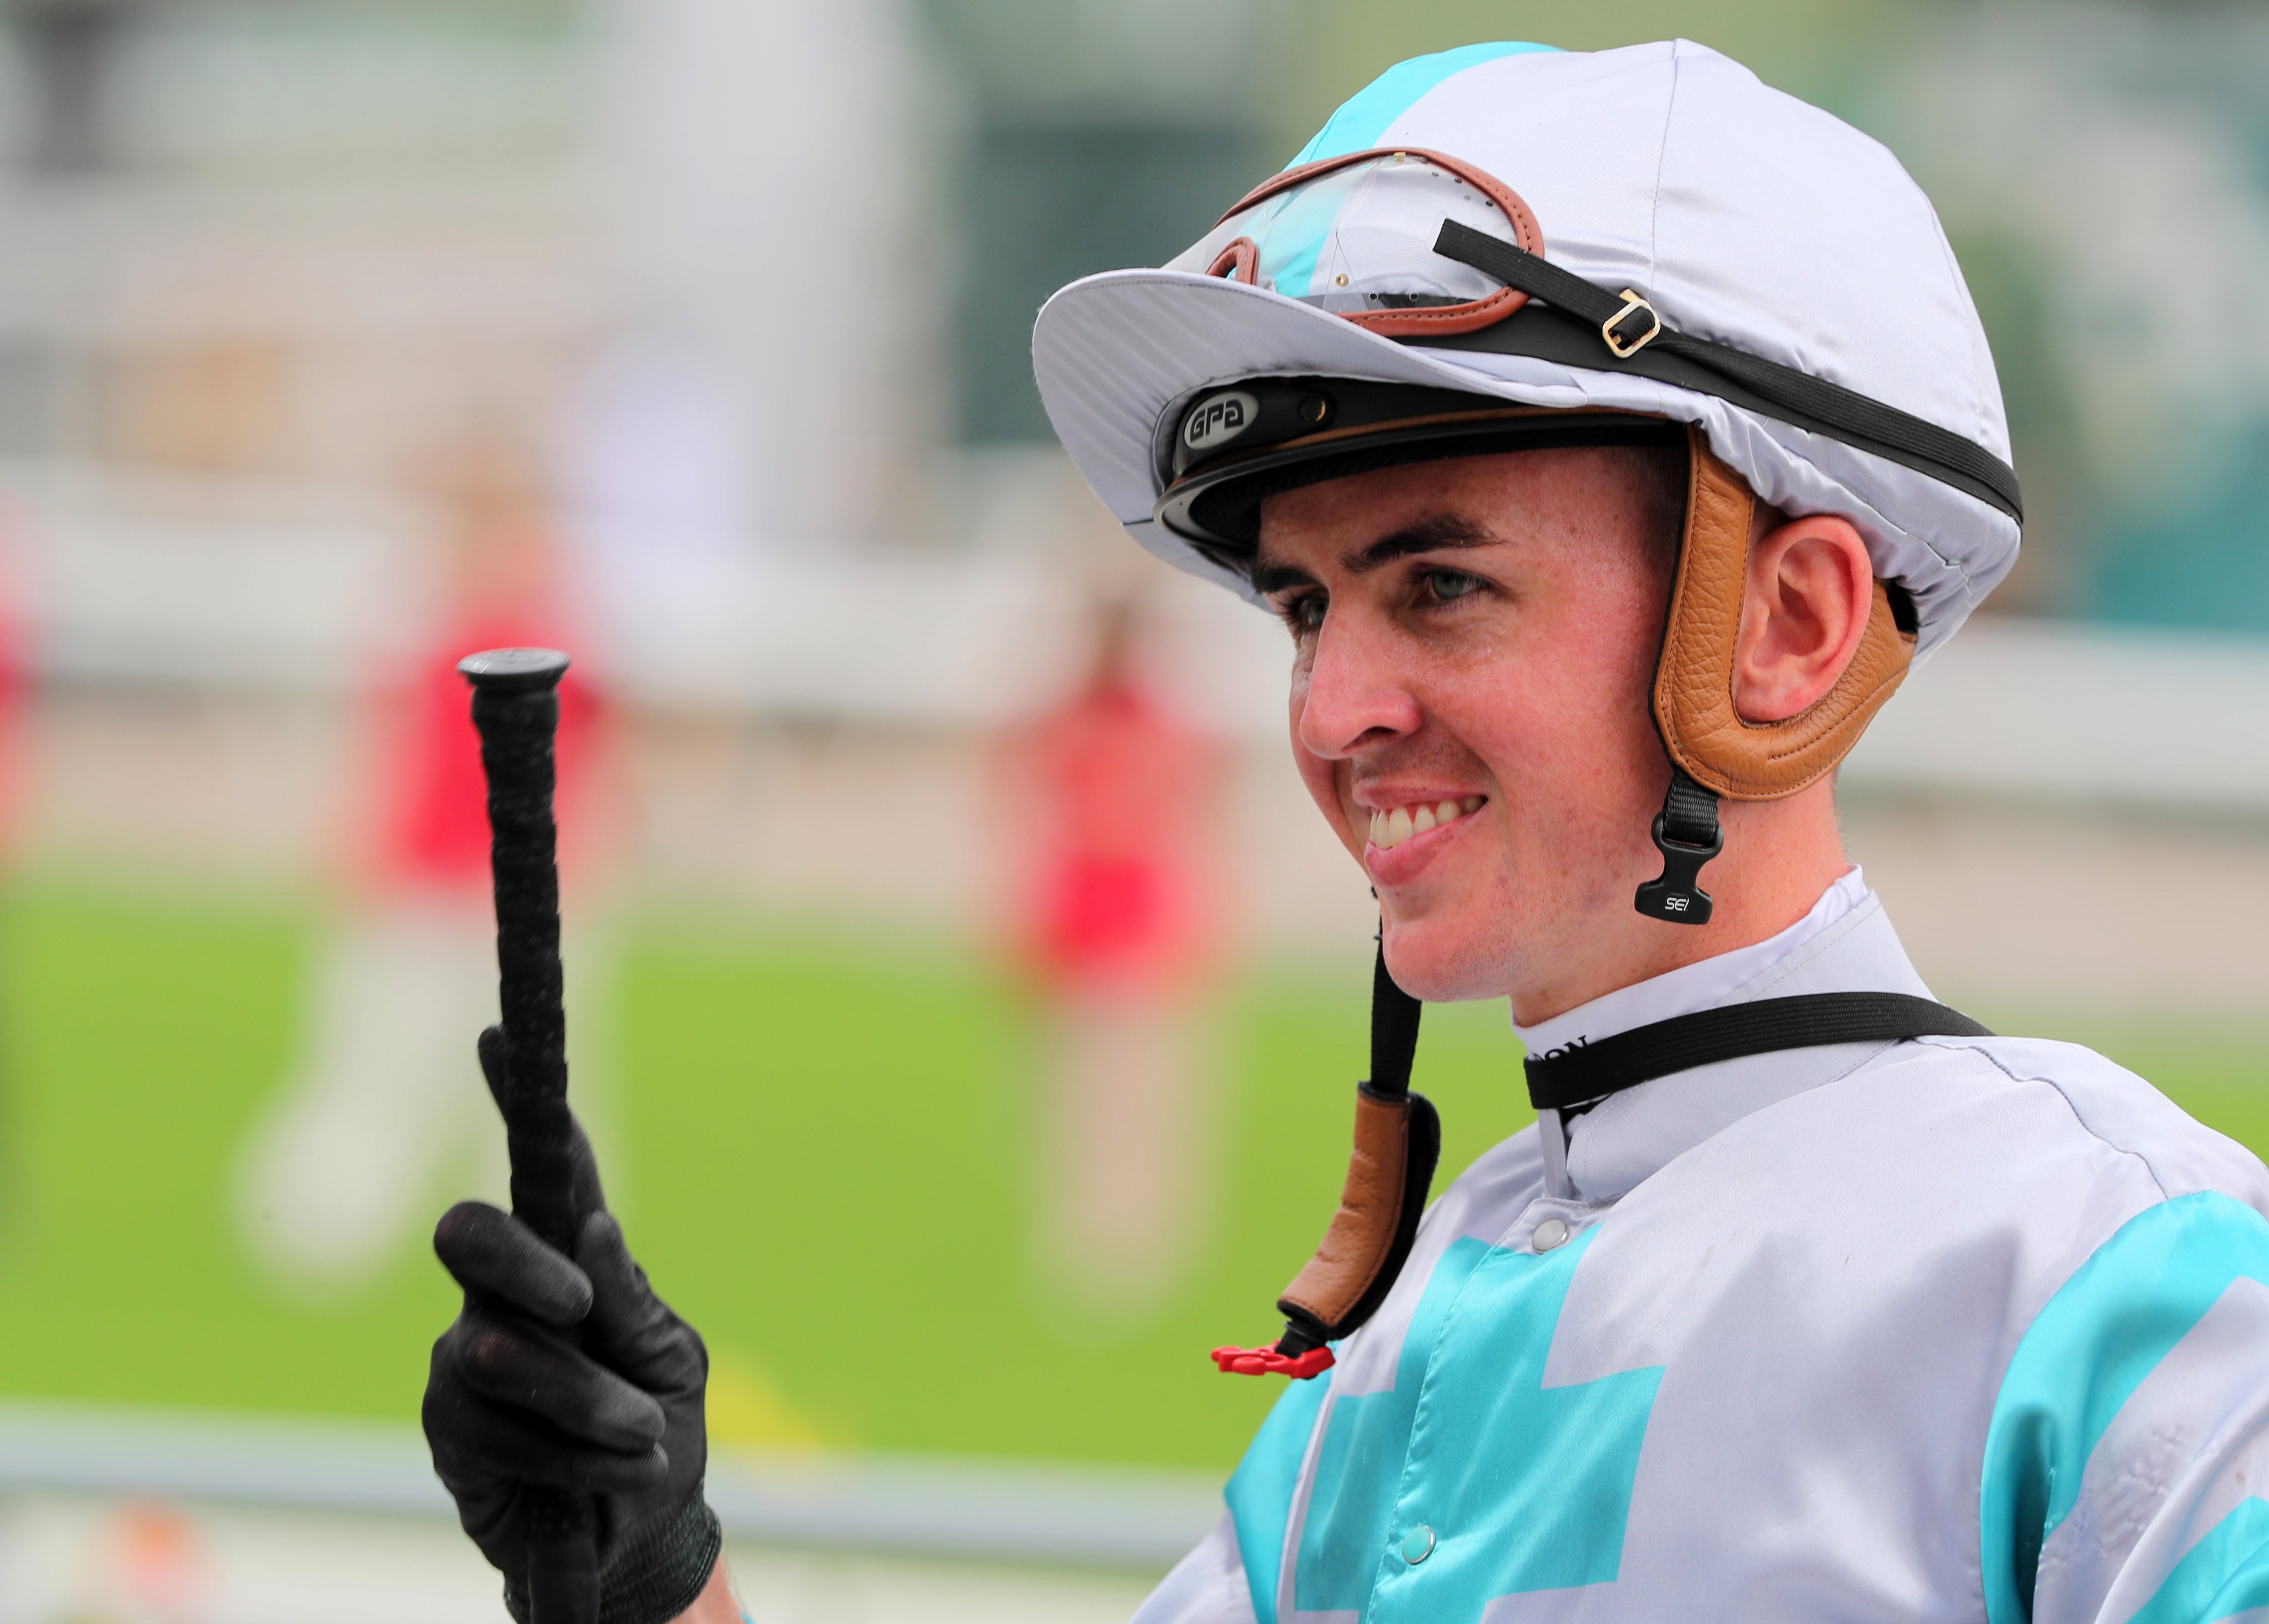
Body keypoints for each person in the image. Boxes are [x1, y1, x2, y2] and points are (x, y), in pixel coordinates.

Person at [420, 39, 2269, 1624]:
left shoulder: (2139, 1288)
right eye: (1307, 610)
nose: (1330, 710)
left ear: (1786, 627)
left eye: (1442, 586)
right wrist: (660, 1573)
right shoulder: (1376, 1387)